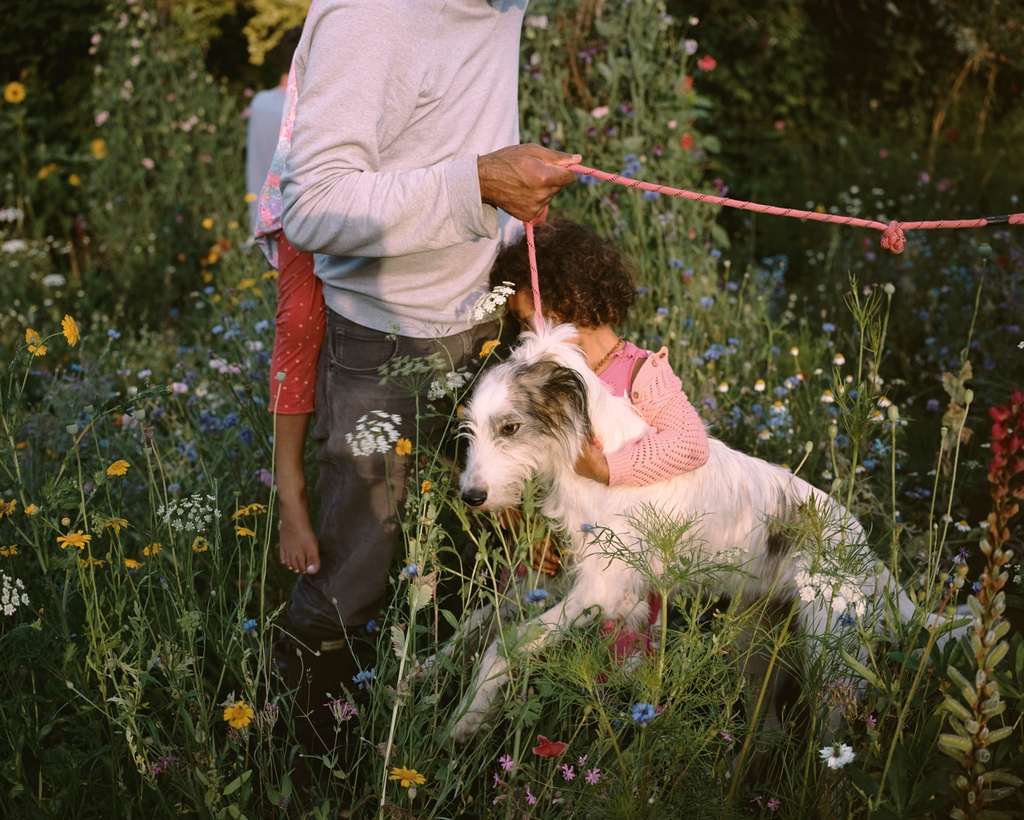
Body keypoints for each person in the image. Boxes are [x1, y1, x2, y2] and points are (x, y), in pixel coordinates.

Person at [266, 0, 580, 759]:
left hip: (483, 324)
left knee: (477, 556)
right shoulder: (372, 18)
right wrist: (475, 181)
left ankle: (438, 749)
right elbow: (311, 205)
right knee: (356, 575)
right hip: (380, 339)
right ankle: (305, 768)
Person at [489, 218, 710, 656]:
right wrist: (524, 526)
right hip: (551, 544)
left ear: (570, 301)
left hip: (620, 555)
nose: (526, 337)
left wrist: (608, 467)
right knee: (515, 630)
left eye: (530, 321)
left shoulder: (640, 372)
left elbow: (690, 443)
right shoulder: (543, 382)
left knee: (613, 661)